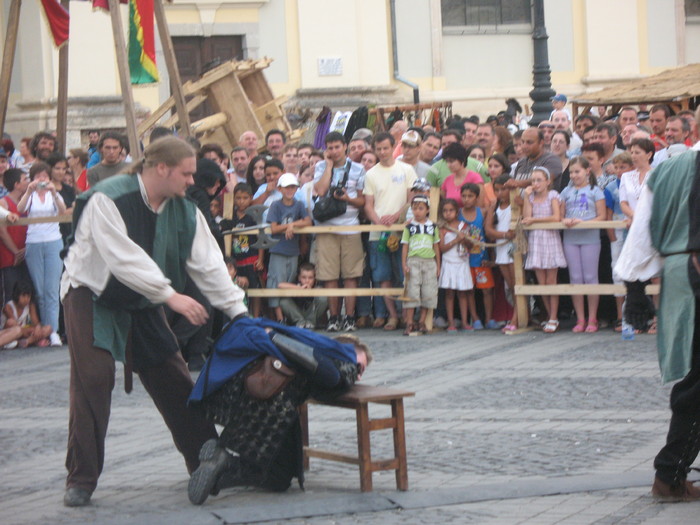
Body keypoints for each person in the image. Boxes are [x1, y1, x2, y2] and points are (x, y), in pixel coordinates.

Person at [60, 136, 247, 507]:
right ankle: (81, 478)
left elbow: (209, 265)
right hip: (91, 293)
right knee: (94, 379)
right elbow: (123, 259)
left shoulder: (185, 210)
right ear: (161, 168)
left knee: (172, 375)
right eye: (186, 172)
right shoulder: (108, 198)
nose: (192, 181)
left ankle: (207, 459)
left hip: (144, 298)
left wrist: (239, 314)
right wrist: (171, 296)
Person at [187, 319, 372, 504]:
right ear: (348, 350)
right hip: (271, 406)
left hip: (254, 396)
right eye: (360, 366)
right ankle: (224, 463)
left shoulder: (301, 340)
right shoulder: (339, 356)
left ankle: (217, 474)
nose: (359, 375)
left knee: (280, 478)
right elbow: (331, 375)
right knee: (279, 476)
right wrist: (273, 336)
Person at [614, 107, 700, 500]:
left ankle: (671, 472)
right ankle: (669, 474)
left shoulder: (667, 169)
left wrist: (634, 285)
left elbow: (641, 231)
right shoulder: (676, 167)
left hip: (681, 273)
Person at [312, 132, 365, 332]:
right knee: (329, 276)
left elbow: (362, 201)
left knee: (351, 275)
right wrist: (328, 166)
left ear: (345, 146)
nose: (334, 151)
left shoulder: (358, 169)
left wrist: (347, 200)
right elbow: (320, 190)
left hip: (350, 226)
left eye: (337, 147)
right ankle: (334, 317)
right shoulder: (320, 166)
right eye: (330, 148)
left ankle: (349, 317)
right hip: (326, 228)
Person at [363, 132, 417, 330]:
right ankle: (392, 315)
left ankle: (407, 314)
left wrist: (396, 216)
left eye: (386, 148)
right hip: (378, 232)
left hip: (403, 230)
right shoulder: (370, 174)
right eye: (379, 149)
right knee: (382, 276)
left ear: (394, 147)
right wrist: (378, 222)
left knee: (404, 273)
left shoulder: (407, 169)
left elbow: (412, 198)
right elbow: (368, 205)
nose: (383, 152)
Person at [17, 162, 65, 346]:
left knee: (52, 289)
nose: (42, 180)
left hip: (53, 240)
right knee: (40, 290)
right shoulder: (29, 196)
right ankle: (44, 328)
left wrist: (53, 192)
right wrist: (29, 191)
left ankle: (53, 330)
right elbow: (21, 209)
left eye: (45, 176)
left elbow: (62, 210)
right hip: (34, 241)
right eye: (38, 177)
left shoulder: (55, 194)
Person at [559, 157, 606, 333]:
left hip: (590, 237)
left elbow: (602, 216)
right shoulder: (566, 191)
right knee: (575, 278)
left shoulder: (595, 190)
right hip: (571, 238)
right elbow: (560, 214)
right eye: (571, 172)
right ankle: (580, 318)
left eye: (577, 171)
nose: (573, 175)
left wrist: (584, 221)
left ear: (587, 171)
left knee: (590, 276)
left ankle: (592, 317)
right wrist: (566, 220)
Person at [522, 167, 567, 333]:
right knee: (541, 283)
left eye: (539, 180)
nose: (535, 184)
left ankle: (554, 316)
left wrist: (535, 219)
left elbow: (556, 217)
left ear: (548, 181)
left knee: (551, 281)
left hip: (550, 239)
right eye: (533, 180)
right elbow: (527, 216)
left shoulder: (553, 195)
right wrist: (526, 197)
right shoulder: (532, 197)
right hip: (536, 240)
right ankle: (549, 316)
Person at [266, 173, 312, 323]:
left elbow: (308, 221)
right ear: (280, 189)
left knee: (289, 283)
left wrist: (293, 225)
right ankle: (279, 318)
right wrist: (289, 226)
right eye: (286, 187)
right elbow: (273, 228)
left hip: (293, 250)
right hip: (278, 249)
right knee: (276, 283)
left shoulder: (298, 204)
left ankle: (287, 316)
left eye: (292, 187)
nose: (290, 190)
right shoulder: (276, 205)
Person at [400, 195, 440, 335]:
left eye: (421, 208)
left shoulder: (432, 227)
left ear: (427, 210)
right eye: (415, 208)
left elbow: (436, 247)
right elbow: (405, 246)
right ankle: (410, 322)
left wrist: (438, 266)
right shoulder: (409, 227)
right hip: (413, 261)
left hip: (429, 262)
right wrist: (404, 264)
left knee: (428, 292)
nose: (418, 211)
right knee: (412, 291)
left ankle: (422, 321)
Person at [460, 183, 497, 330]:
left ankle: (488, 318)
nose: (466, 199)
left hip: (482, 259)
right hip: (464, 260)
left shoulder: (483, 212)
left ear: (476, 198)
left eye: (470, 196)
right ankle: (475, 318)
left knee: (487, 290)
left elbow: (489, 237)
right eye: (464, 196)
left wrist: (492, 258)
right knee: (469, 289)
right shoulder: (457, 213)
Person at [485, 174, 519, 332]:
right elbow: (488, 229)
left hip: (514, 249)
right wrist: (504, 235)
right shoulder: (494, 206)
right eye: (496, 190)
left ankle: (517, 317)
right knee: (510, 285)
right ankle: (516, 315)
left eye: (503, 189)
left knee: (518, 284)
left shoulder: (516, 202)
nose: (500, 193)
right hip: (501, 248)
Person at [227, 183, 264, 318]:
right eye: (238, 198)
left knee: (254, 289)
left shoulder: (253, 216)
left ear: (251, 198)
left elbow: (260, 237)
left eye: (244, 198)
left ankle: (255, 316)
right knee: (239, 286)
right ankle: (241, 314)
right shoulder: (231, 216)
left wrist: (260, 259)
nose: (241, 201)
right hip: (237, 259)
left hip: (251, 258)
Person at [439, 198, 473, 332]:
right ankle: (451, 322)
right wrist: (456, 240)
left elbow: (471, 245)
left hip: (462, 262)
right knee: (449, 294)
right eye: (445, 211)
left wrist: (465, 240)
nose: (448, 213)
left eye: (451, 210)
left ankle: (464, 322)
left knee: (463, 293)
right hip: (448, 262)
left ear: (457, 212)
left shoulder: (463, 226)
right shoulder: (442, 229)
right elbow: (442, 248)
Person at [0, 168, 28, 307]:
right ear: (16, 184)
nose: (28, 182)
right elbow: (2, 232)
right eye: (25, 179)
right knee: (9, 294)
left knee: (25, 292)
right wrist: (16, 251)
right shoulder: (4, 203)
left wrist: (24, 250)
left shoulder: (27, 202)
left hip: (25, 253)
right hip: (9, 256)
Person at [1, 280, 52, 348]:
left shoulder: (30, 306)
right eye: (23, 296)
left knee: (48, 328)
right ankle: (31, 341)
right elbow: (14, 325)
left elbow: (36, 323)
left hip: (24, 331)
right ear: (17, 295)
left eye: (28, 296)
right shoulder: (8, 307)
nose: (26, 299)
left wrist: (37, 329)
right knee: (11, 323)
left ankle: (25, 342)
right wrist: (30, 330)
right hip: (11, 331)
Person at [279, 262, 328, 328]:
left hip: (311, 314)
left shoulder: (317, 286)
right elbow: (280, 285)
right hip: (296, 313)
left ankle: (310, 323)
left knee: (323, 298)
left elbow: (323, 295)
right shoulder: (295, 285)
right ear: (299, 277)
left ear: (314, 278)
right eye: (304, 277)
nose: (307, 281)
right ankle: (300, 322)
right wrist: (299, 288)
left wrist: (311, 292)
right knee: (283, 301)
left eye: (310, 278)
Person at [46, 153, 76, 243]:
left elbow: (75, 207)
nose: (61, 172)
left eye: (64, 169)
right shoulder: (45, 189)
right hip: (50, 233)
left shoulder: (69, 189)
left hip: (68, 231)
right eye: (57, 168)